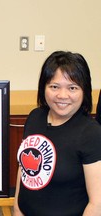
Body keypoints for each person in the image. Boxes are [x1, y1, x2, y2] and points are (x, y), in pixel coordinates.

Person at [13, 51, 101, 216]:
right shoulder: (35, 117)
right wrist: (17, 209)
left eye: (72, 88)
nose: (62, 95)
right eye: (54, 87)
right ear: (43, 87)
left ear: (84, 91)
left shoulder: (91, 133)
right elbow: (23, 169)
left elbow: (97, 204)